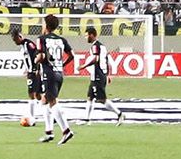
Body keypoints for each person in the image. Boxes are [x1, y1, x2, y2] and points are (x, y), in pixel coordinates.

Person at [36, 14, 74, 145]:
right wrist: (62, 64)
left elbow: (41, 56)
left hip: (49, 73)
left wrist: (34, 63)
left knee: (52, 102)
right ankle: (49, 132)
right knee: (45, 100)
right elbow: (71, 55)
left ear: (46, 25)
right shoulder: (62, 40)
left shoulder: (41, 39)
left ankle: (66, 130)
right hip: (59, 73)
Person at [81, 27, 123, 123]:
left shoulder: (95, 46)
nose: (86, 38)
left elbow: (96, 59)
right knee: (90, 97)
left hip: (98, 75)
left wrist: (83, 66)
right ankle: (87, 119)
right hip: (99, 75)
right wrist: (107, 74)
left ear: (92, 35)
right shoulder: (102, 46)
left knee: (101, 99)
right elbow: (106, 60)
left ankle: (120, 114)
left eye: (87, 35)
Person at [9, 28, 42, 128]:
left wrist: (37, 68)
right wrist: (26, 69)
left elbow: (37, 55)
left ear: (19, 36)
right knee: (38, 95)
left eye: (15, 40)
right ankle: (50, 114)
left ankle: (32, 118)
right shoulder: (23, 46)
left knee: (33, 94)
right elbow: (28, 59)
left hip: (34, 73)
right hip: (31, 72)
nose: (15, 42)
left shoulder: (28, 44)